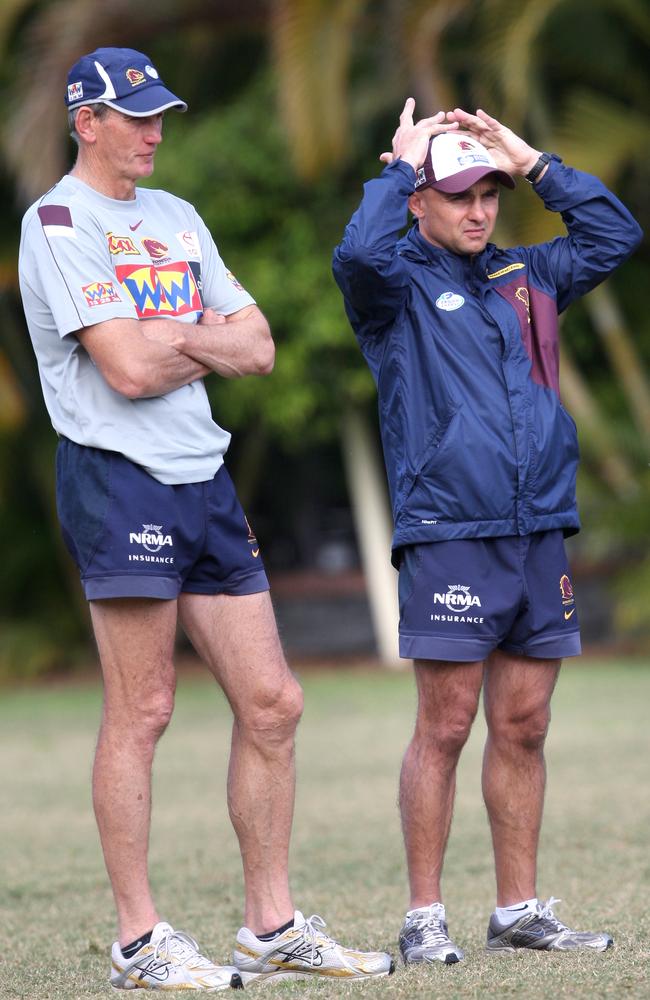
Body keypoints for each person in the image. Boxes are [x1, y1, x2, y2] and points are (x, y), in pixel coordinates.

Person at [18, 47, 394, 991]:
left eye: (159, 115)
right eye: (134, 116)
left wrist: (173, 335)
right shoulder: (58, 222)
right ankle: (139, 942)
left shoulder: (178, 218)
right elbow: (127, 374)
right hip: (119, 479)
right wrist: (199, 341)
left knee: (274, 703)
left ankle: (269, 927)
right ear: (85, 121)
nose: (153, 131)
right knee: (143, 709)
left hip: (204, 478)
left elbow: (259, 346)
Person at [333, 99, 642, 965]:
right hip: (450, 532)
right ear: (420, 204)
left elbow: (616, 234)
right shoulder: (390, 286)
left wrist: (531, 158)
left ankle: (519, 912)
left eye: (490, 195)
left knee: (526, 723)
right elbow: (355, 250)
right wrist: (399, 164)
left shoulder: (528, 277)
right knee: (446, 724)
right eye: (460, 194)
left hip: (539, 528)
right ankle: (424, 915)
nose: (477, 211)